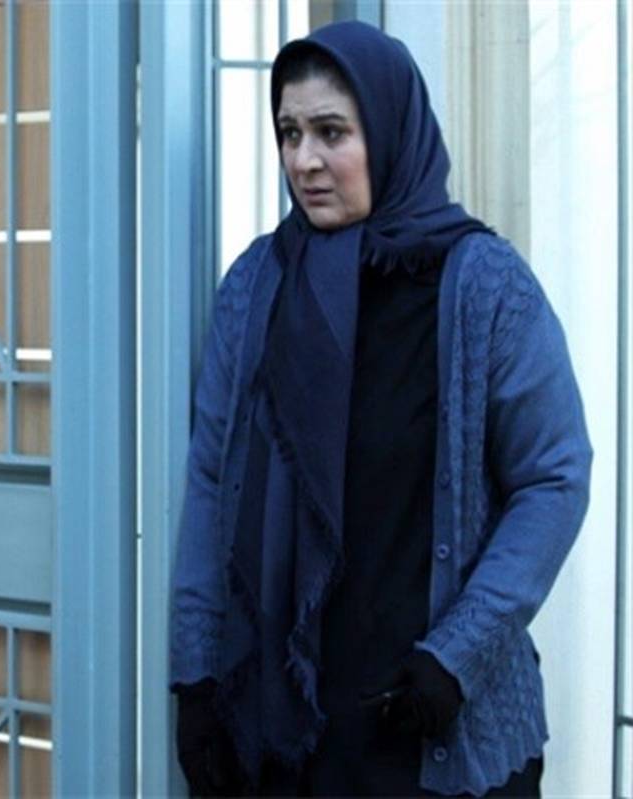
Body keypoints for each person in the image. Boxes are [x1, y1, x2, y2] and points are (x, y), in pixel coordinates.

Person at [170, 21, 591, 798]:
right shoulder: (256, 285)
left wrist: (456, 657)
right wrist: (195, 676)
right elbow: (210, 480)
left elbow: (554, 477)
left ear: (391, 130)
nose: (304, 159)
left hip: (430, 718)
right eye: (290, 132)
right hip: (290, 728)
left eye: (332, 132)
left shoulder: (485, 285)